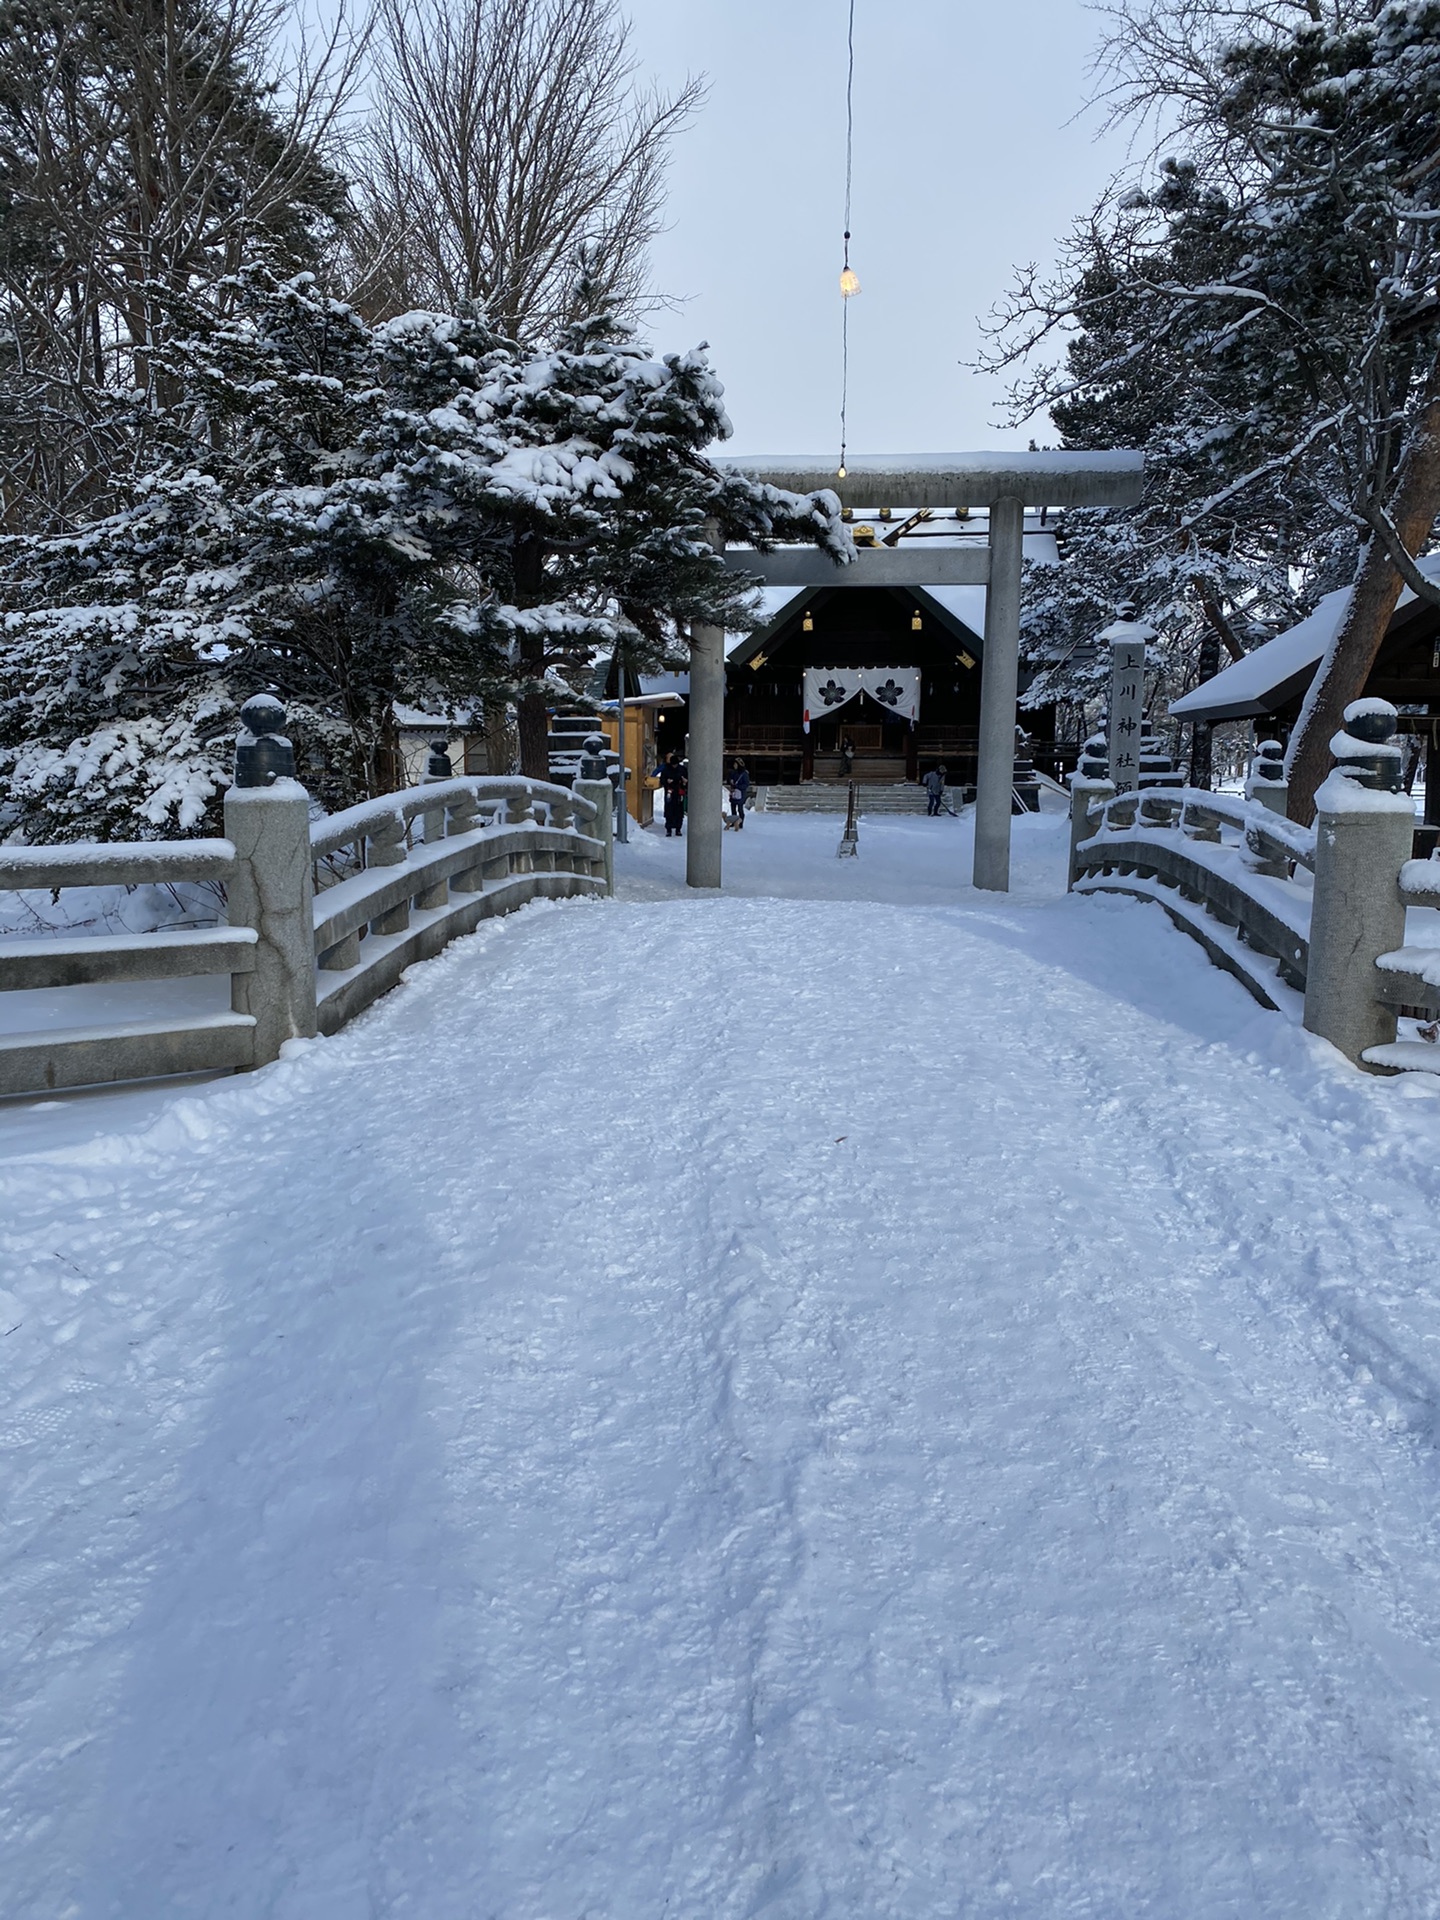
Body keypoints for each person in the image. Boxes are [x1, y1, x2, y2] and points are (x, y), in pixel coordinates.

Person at [656, 750, 687, 836]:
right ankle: (669, 829)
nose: (674, 766)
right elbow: (662, 780)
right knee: (669, 810)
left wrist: (685, 782)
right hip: (670, 791)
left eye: (675, 764)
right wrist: (666, 782)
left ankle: (678, 829)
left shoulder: (682, 770)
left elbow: (687, 780)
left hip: (679, 791)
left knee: (679, 811)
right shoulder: (666, 770)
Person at [727, 758, 751, 830]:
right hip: (734, 792)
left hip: (741, 793)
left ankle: (740, 822)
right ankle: (734, 821)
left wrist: (737, 786)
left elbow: (746, 784)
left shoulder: (744, 774)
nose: (734, 765)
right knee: (733, 808)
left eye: (735, 764)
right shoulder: (733, 772)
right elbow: (729, 779)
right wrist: (730, 782)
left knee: (740, 809)